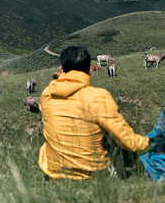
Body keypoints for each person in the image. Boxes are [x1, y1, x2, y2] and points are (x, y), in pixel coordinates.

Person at [38, 46, 149, 180]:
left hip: (54, 173)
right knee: (114, 138)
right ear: (90, 70)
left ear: (61, 70)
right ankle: (132, 177)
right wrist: (155, 142)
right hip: (91, 175)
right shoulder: (99, 96)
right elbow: (129, 141)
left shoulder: (46, 95)